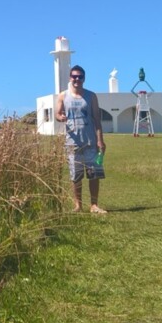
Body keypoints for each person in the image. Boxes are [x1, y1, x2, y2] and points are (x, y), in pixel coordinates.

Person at [55, 65, 107, 213]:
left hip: (90, 140)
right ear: (70, 78)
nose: (77, 79)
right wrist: (61, 117)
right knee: (75, 175)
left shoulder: (91, 96)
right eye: (74, 76)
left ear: (84, 78)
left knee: (93, 173)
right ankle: (78, 205)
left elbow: (97, 119)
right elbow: (57, 114)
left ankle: (94, 205)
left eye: (80, 77)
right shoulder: (63, 95)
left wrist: (100, 140)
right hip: (72, 142)